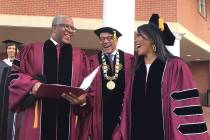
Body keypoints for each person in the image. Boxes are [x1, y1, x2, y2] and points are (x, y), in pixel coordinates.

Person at [8, 15, 92, 140]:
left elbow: (88, 86)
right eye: (66, 26)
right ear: (54, 28)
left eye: (73, 28)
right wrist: (32, 86)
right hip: (37, 122)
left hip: (67, 122)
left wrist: (82, 100)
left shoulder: (80, 56)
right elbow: (14, 76)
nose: (70, 30)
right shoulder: (31, 50)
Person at [131, 14, 210, 140]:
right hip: (136, 132)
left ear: (152, 39)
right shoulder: (134, 68)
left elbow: (187, 105)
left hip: (163, 134)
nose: (136, 40)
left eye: (139, 35)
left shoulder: (176, 67)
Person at [89, 27, 134, 140]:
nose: (105, 41)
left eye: (109, 38)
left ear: (116, 40)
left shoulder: (130, 60)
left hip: (123, 113)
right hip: (100, 113)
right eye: (102, 39)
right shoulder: (91, 61)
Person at [0, 40, 22, 140]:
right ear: (6, 50)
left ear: (17, 51)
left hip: (15, 98)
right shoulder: (1, 65)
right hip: (2, 98)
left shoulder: (21, 65)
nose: (11, 50)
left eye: (13, 48)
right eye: (9, 48)